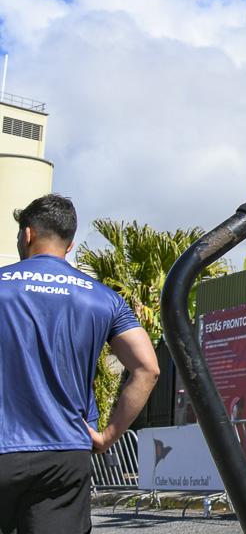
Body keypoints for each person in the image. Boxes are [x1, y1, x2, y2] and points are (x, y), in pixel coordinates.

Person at [0, 194, 159, 534]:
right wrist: (108, 435)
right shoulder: (104, 298)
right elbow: (148, 368)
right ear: (70, 246)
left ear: (26, 235)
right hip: (66, 452)